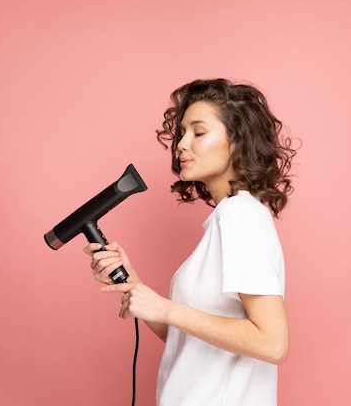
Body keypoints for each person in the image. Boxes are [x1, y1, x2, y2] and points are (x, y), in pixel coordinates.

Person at [84, 78, 297, 406]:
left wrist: (165, 308)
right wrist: (134, 285)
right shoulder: (227, 220)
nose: (182, 144)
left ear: (237, 142)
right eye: (181, 133)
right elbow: (193, 346)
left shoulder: (240, 214)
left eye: (198, 132)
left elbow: (272, 343)